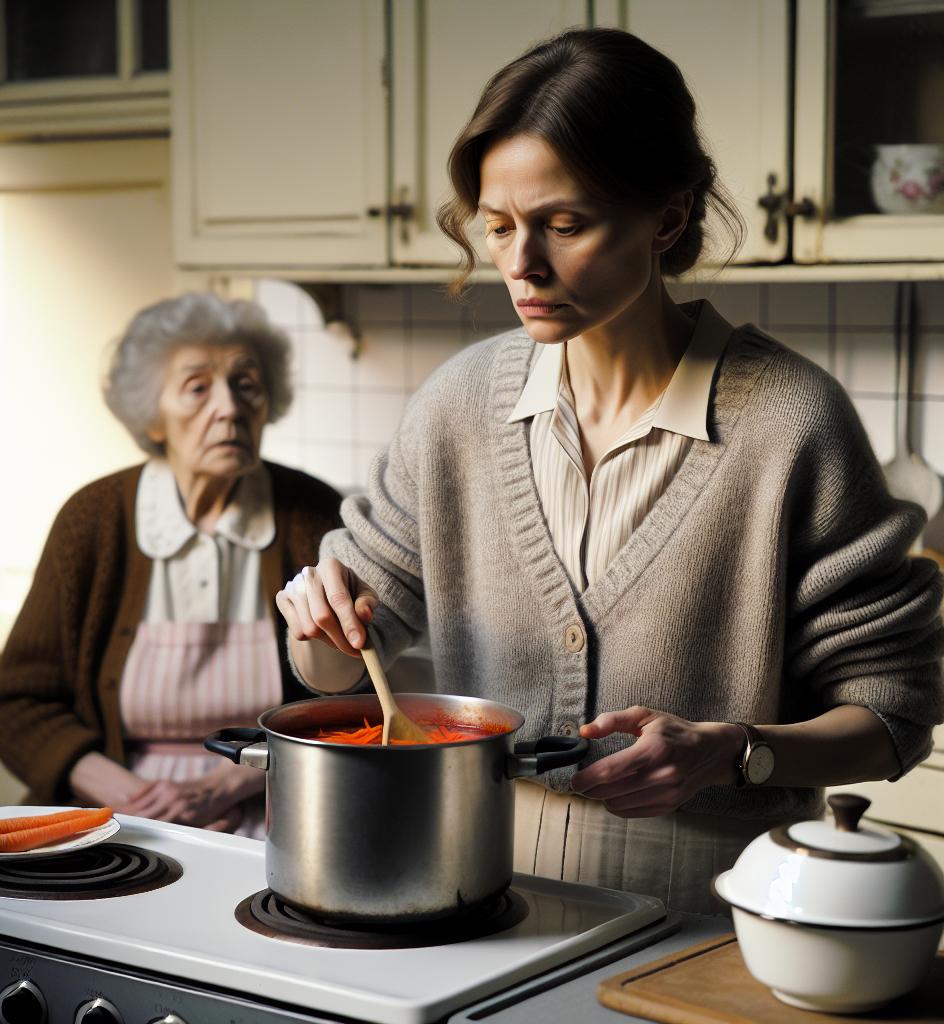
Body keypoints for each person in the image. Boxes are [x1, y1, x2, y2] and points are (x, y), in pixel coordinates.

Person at [274, 29, 944, 912]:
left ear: (667, 217)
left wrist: (735, 749)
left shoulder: (789, 423)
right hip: (473, 893)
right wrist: (319, 625)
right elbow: (336, 672)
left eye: (564, 224)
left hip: (701, 917)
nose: (520, 265)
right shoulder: (457, 406)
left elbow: (891, 716)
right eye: (500, 226)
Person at [0, 293, 342, 836]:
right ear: (153, 416)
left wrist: (230, 782)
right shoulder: (93, 520)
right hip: (116, 815)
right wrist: (123, 792)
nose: (229, 407)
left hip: (278, 807)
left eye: (246, 385)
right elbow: (19, 704)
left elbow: (354, 706)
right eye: (198, 388)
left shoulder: (312, 516)